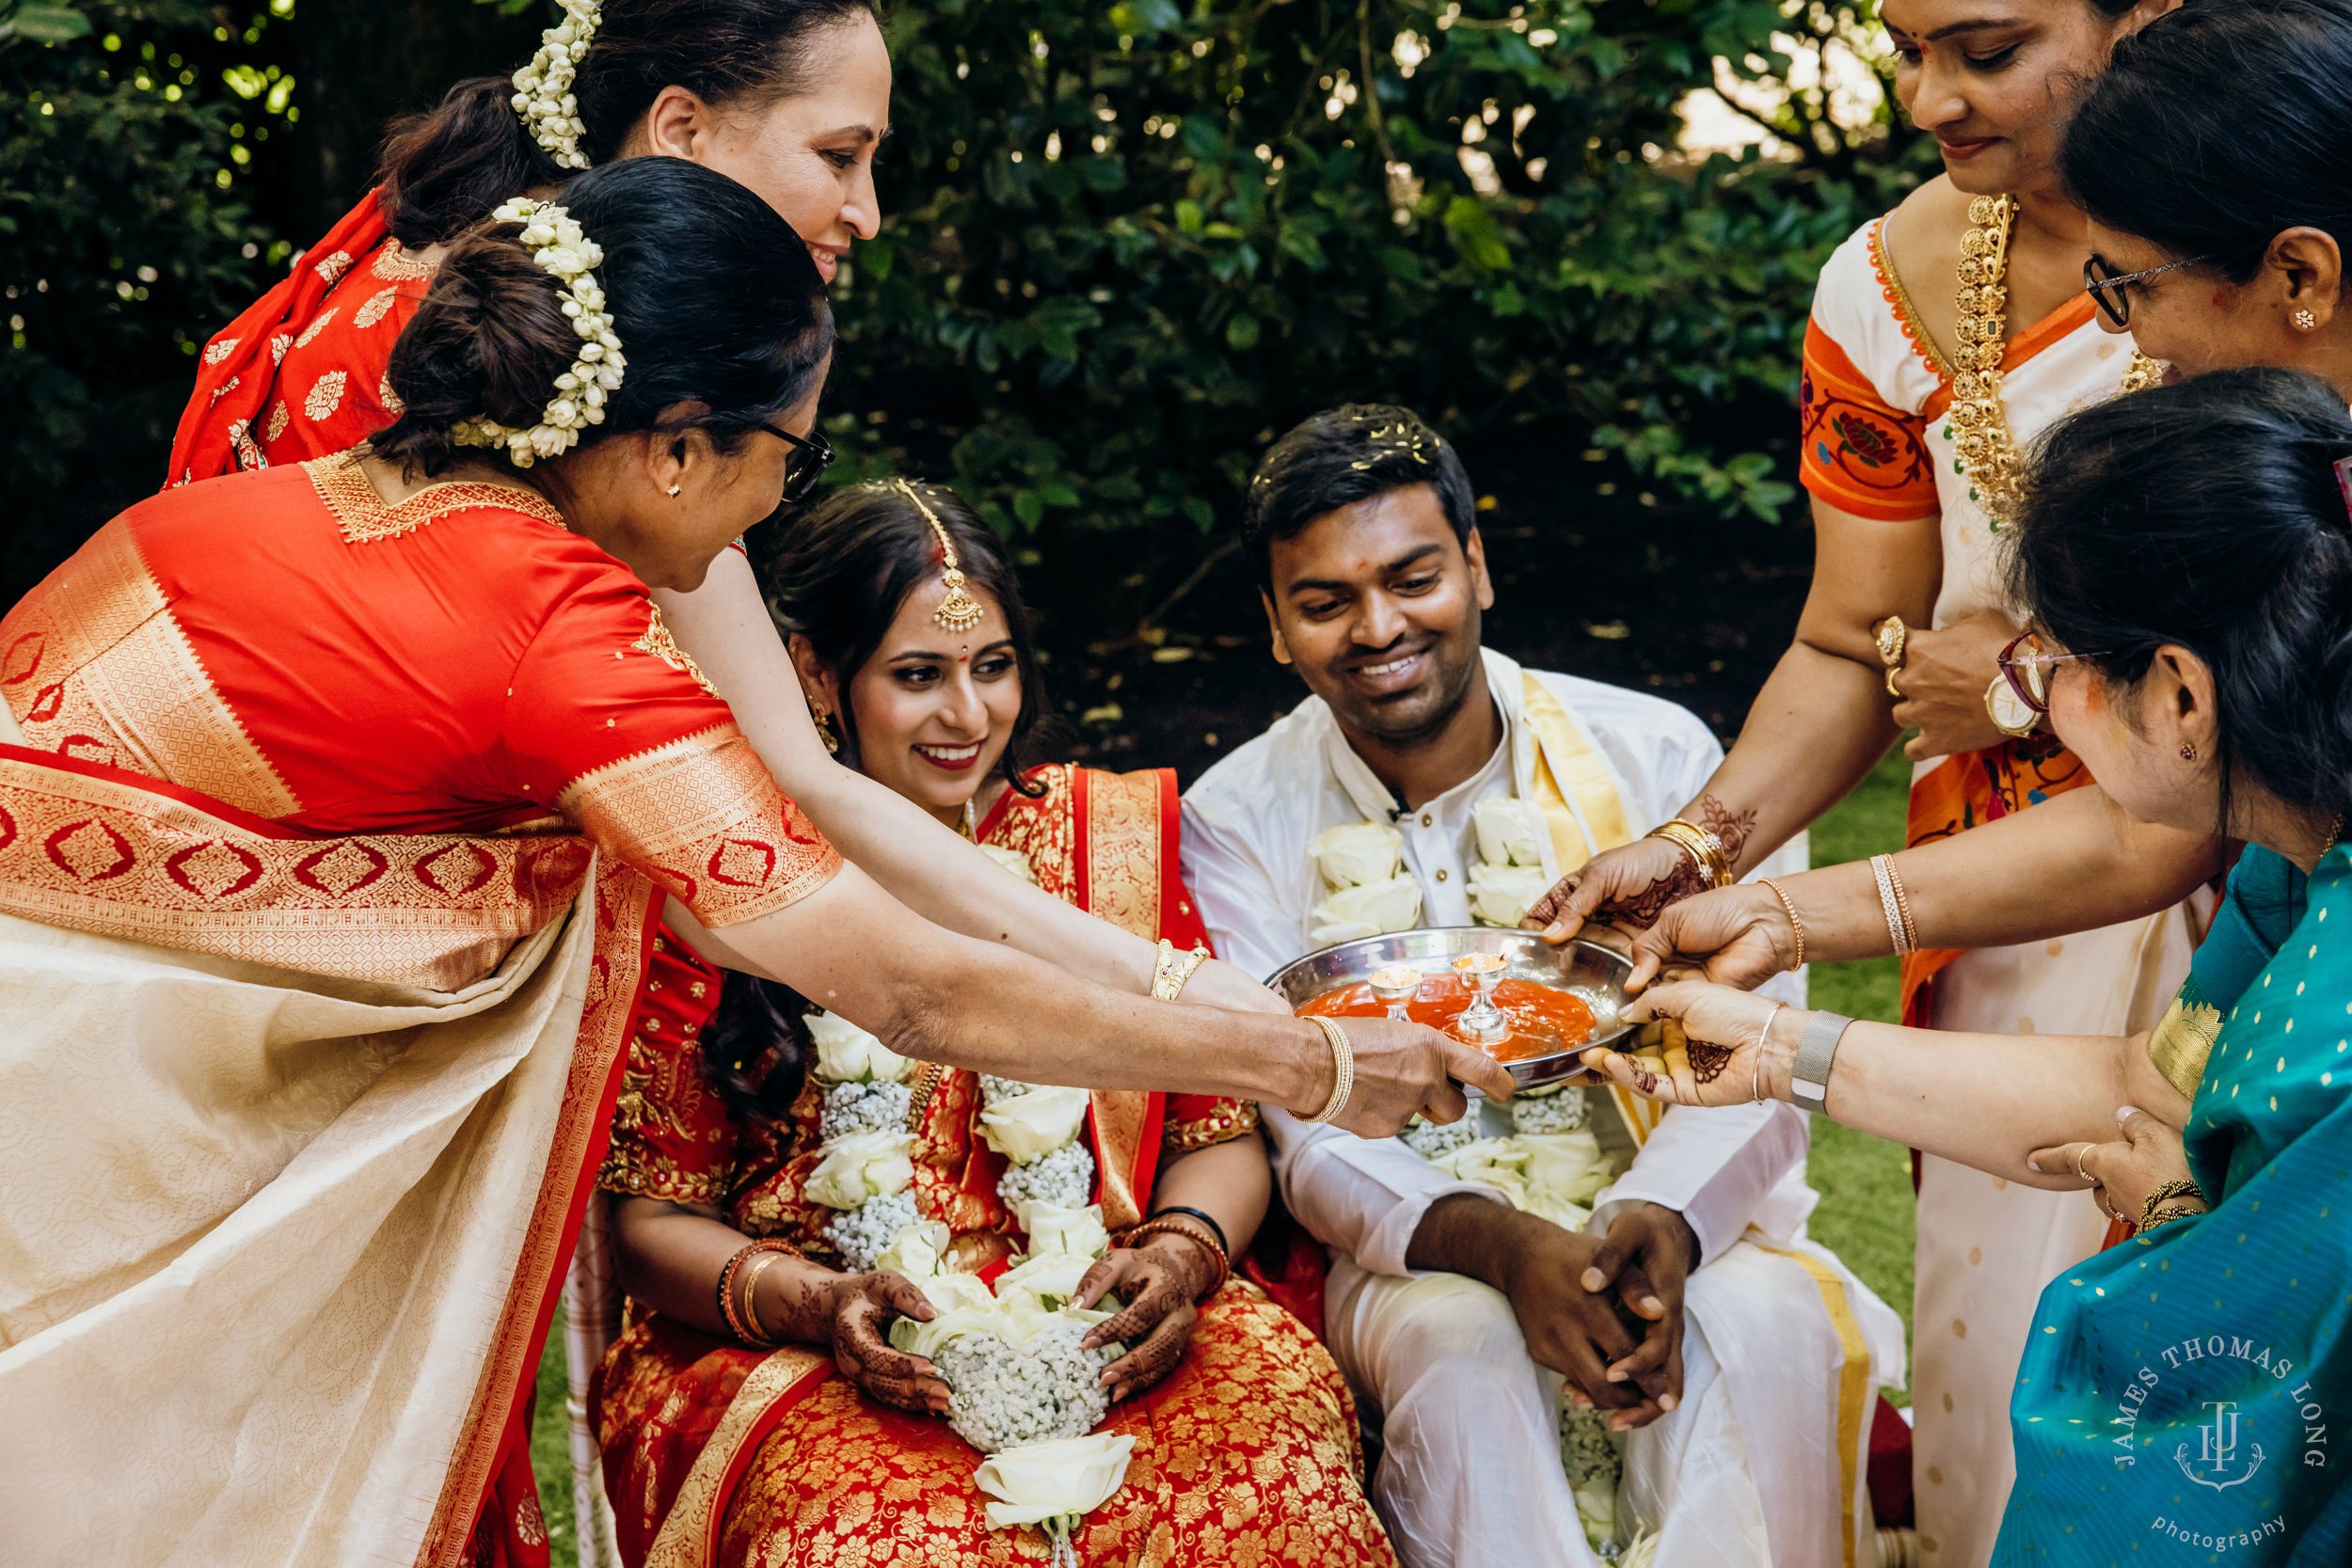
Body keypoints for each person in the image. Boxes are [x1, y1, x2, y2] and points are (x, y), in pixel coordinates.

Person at [0, 160, 1489, 1565]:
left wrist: (1245, 1050)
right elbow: (911, 984)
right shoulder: (559, 635)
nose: (781, 501)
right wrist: (1312, 1067)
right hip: (79, 1086)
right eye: (793, 451)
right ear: (672, 445)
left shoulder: (320, 505)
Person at [164, 0, 1303, 1124]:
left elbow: (793, 777)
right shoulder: (516, 421)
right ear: (681, 130)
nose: (865, 213)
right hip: (280, 985)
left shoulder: (611, 342)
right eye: (838, 155)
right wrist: (1265, 1044)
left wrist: (1178, 987)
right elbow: (842, 927)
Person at [1519, 4, 2218, 1559]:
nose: (1927, 100)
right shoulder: (1889, 283)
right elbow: (1851, 638)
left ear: (2147, 16)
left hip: (2258, 866)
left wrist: (2022, 681)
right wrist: (1702, 843)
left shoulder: (2271, 246)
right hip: (2011, 884)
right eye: (1905, 46)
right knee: (2004, 1344)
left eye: (1984, 48)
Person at [1584, 368, 2352, 1565]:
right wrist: (1780, 1049)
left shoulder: (2332, 1026)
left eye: (2056, 667)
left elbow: (2254, 1369)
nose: (2033, 694)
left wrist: (2176, 1217)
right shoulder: (2297, 857)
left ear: (2185, 696)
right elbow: (2151, 1091)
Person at [592, 480, 1395, 1565]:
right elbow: (649, 1220)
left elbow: (1218, 1136)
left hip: (1112, 1306)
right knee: (867, 1539)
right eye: (917, 675)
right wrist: (818, 1301)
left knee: (1271, 1486)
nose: (967, 717)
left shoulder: (1108, 839)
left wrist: (1181, 1250)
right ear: (817, 676)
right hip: (817, 1339)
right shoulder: (736, 869)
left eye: (992, 667)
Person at [1179, 405, 1902, 1568]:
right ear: (1274, 627)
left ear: (1476, 565)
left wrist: (1659, 1221)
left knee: (1753, 1321)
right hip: (1414, 1247)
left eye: (1412, 576)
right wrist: (1500, 1245)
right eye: (1323, 602)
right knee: (1463, 1343)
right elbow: (1296, 1122)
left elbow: (1766, 1054)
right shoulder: (1235, 818)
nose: (1378, 628)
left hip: (1679, 1193)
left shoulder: (1663, 759)